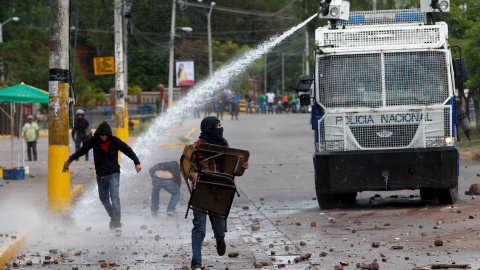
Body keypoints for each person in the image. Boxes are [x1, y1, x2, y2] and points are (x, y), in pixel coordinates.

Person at [188, 116, 249, 270]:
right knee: (199, 227)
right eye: (218, 125)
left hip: (218, 191)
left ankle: (220, 239)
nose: (221, 128)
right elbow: (187, 167)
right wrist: (194, 175)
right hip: (201, 190)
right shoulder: (196, 147)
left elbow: (232, 167)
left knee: (219, 226)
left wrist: (242, 165)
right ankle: (196, 262)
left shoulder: (224, 144)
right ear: (210, 128)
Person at [62, 121, 142, 231]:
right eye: (102, 134)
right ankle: (114, 218)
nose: (104, 136)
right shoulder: (94, 141)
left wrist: (136, 162)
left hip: (114, 173)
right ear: (98, 134)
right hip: (101, 175)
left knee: (115, 198)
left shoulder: (114, 141)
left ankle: (117, 225)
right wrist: (70, 160)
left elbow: (127, 150)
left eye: (106, 134)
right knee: (104, 199)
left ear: (109, 134)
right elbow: (82, 150)